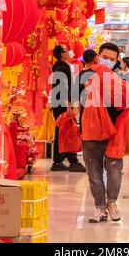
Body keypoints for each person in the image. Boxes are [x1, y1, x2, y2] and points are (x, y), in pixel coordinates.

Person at [80, 42, 129, 223]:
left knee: (114, 171)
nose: (108, 61)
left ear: (117, 60)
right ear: (98, 56)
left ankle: (112, 203)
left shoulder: (118, 80)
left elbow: (124, 102)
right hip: (91, 130)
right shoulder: (84, 76)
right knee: (93, 172)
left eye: (112, 59)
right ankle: (100, 207)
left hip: (113, 132)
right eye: (105, 58)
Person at [50, 45, 86, 173]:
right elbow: (62, 89)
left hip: (61, 103)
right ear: (62, 55)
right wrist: (68, 105)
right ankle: (69, 161)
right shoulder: (61, 68)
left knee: (64, 131)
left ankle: (63, 161)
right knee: (65, 130)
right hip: (61, 104)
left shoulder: (63, 67)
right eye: (66, 51)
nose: (69, 52)